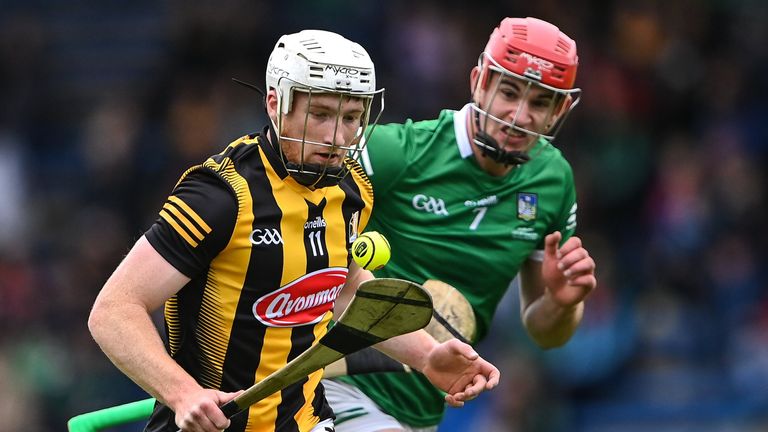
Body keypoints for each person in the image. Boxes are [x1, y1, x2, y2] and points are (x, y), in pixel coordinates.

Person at [88, 29, 500, 432]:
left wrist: (427, 355)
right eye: (320, 114)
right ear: (276, 103)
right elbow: (114, 310)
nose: (337, 137)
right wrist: (182, 394)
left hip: (307, 420)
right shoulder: (220, 195)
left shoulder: (353, 189)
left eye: (351, 118)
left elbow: (344, 286)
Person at [322, 16, 597, 431]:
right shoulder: (397, 152)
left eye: (540, 103)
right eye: (508, 92)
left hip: (423, 408)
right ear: (478, 82)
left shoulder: (553, 182)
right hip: (336, 384)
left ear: (558, 111)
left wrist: (562, 303)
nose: (520, 115)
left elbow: (545, 333)